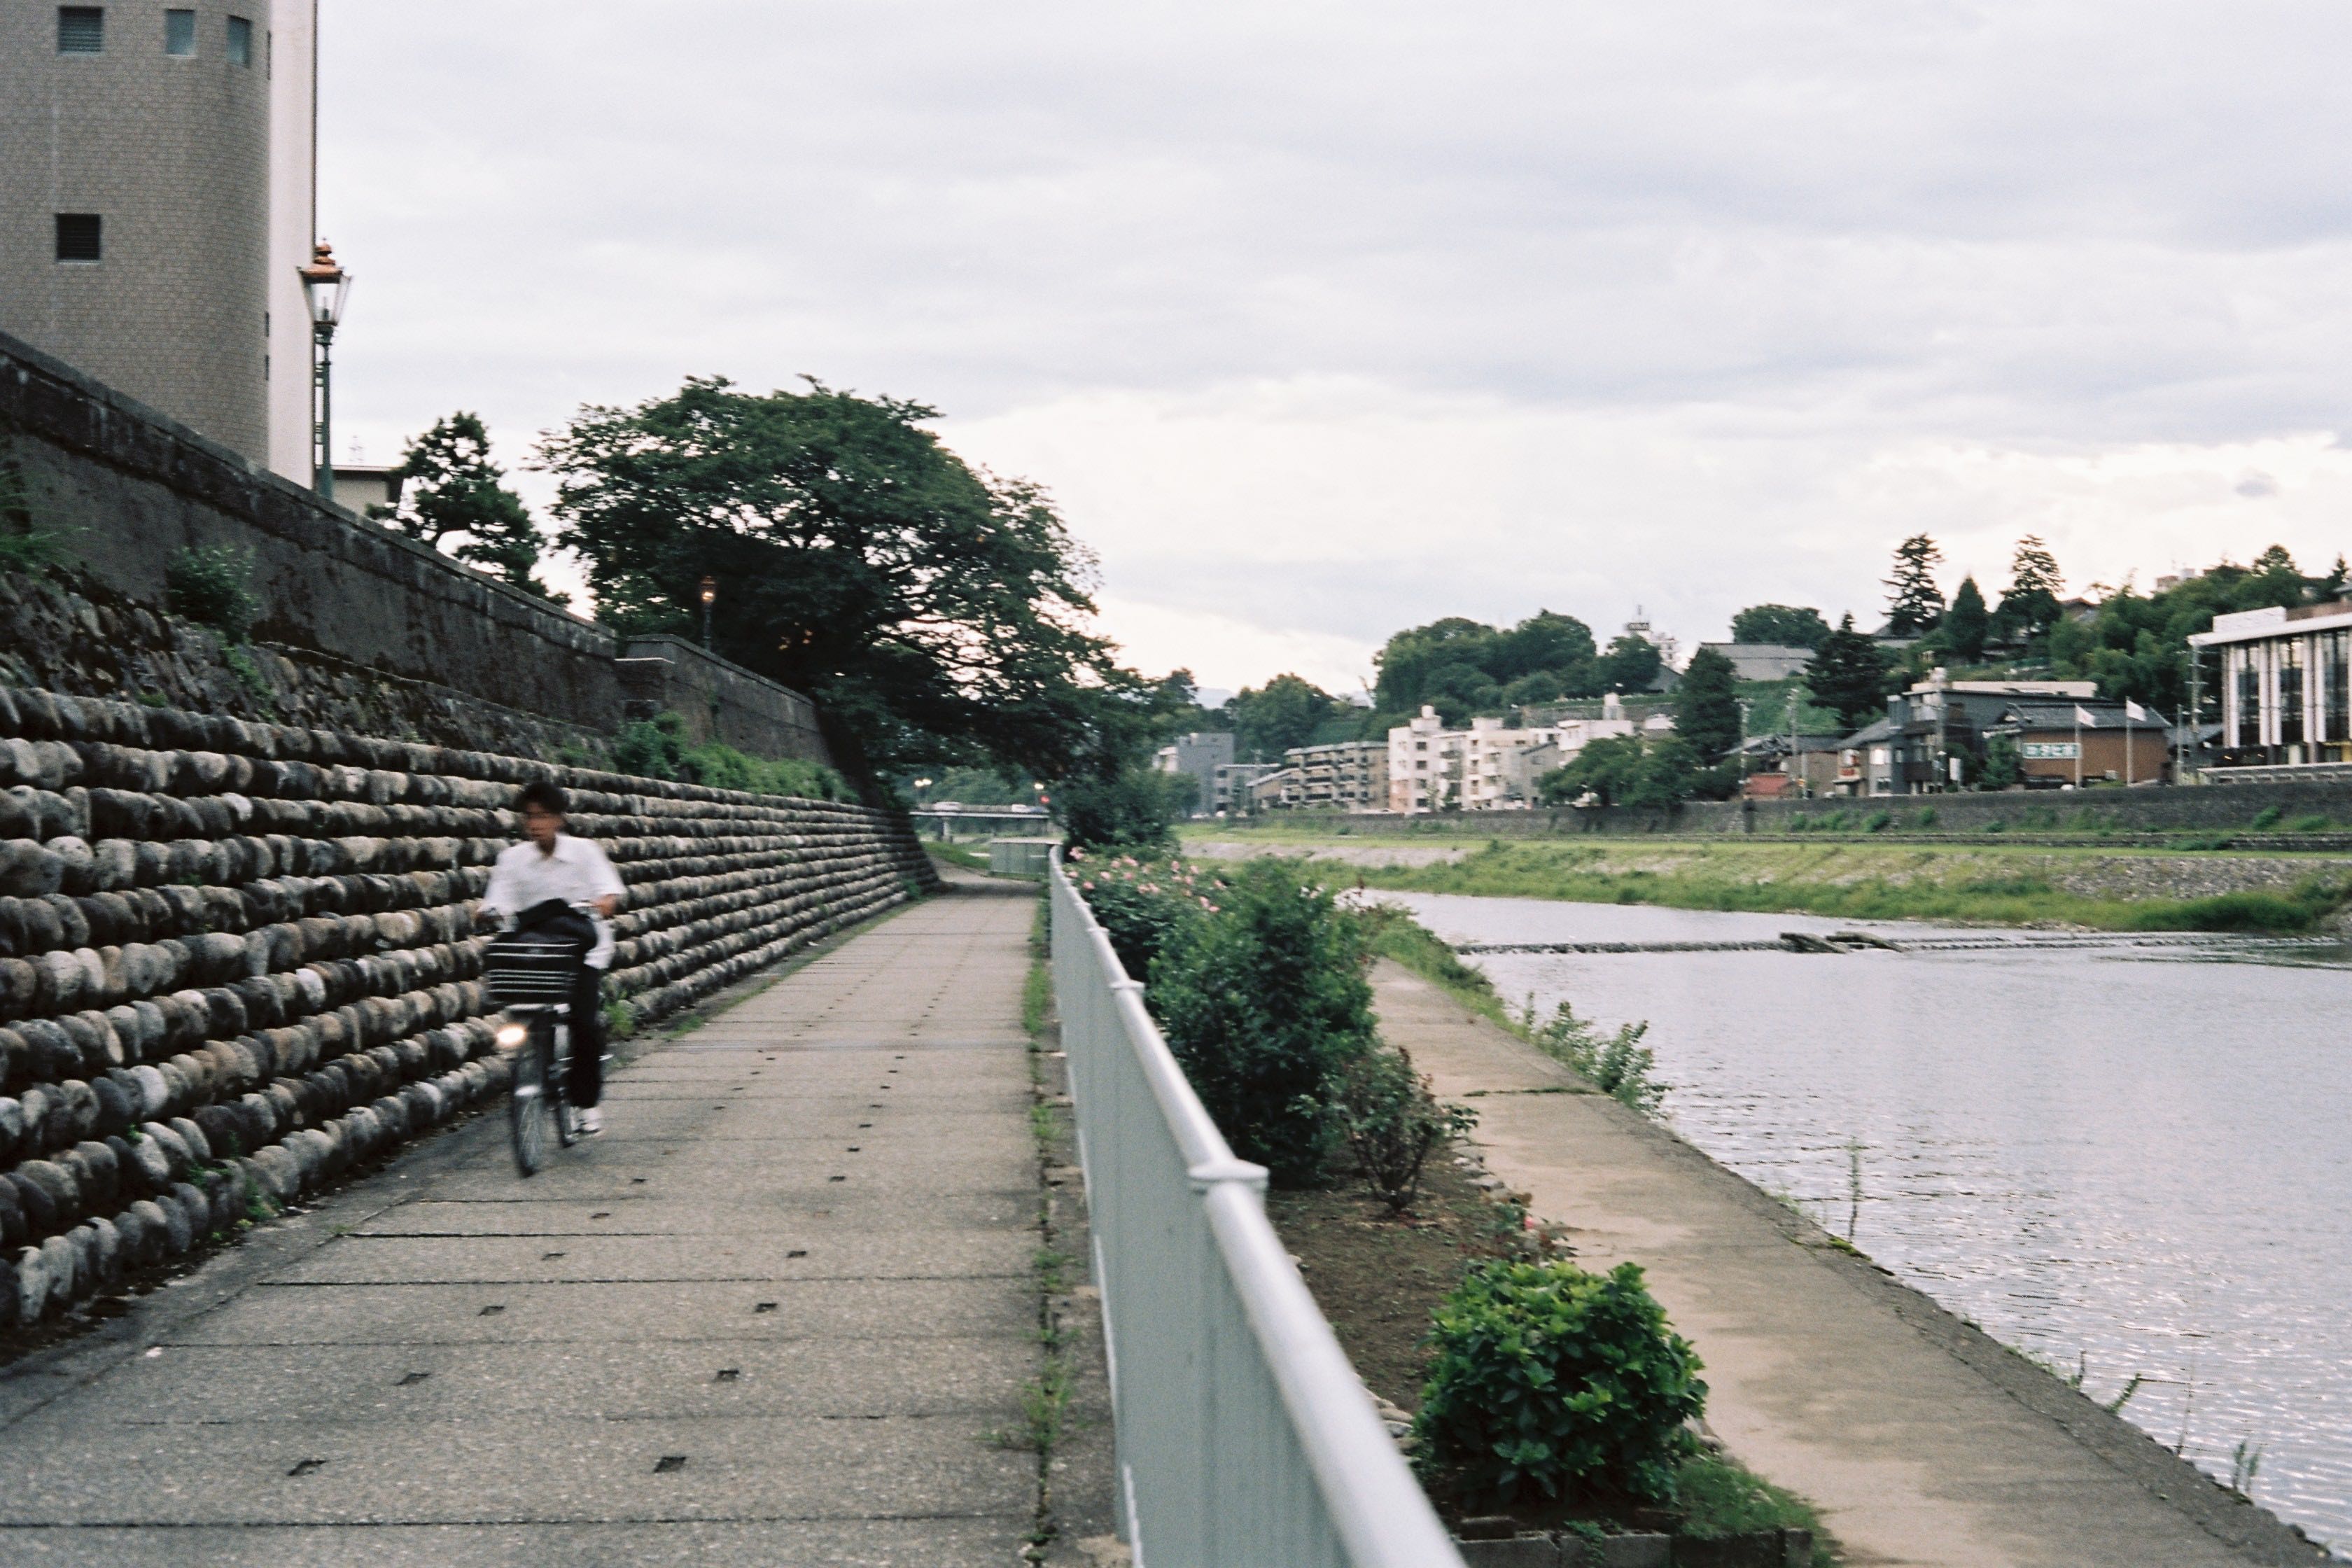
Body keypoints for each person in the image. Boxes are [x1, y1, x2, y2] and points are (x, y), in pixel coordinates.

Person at [479, 780, 624, 1133]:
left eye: (543, 816)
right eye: (529, 817)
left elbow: (610, 892)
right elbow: (496, 901)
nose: (535, 824)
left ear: (559, 819)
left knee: (585, 1025)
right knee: (519, 1022)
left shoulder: (585, 852)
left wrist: (604, 904)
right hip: (534, 956)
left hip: (581, 956)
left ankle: (587, 1104)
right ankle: (531, 1069)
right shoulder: (512, 860)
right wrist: (485, 912)